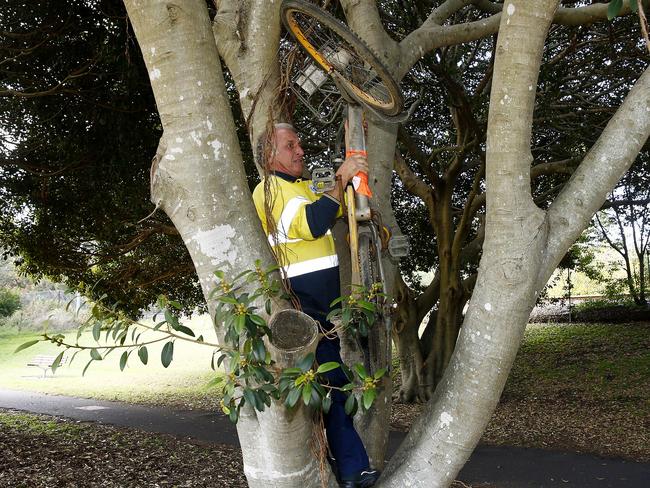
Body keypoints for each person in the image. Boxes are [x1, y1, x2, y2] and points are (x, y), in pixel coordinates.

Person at [252, 123, 380, 488]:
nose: (300, 151)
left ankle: (348, 466)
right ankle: (353, 470)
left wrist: (350, 149)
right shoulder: (270, 190)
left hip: (323, 307)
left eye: (299, 144)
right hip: (303, 304)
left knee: (333, 380)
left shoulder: (300, 187)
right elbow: (312, 222)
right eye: (290, 145)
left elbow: (333, 207)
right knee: (332, 383)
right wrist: (342, 177)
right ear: (268, 155)